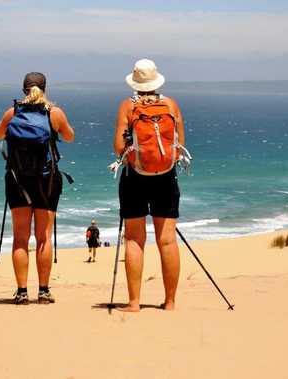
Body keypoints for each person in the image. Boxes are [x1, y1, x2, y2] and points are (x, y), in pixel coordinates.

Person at [0, 72, 75, 305]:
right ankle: (44, 291)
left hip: (18, 180)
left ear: (24, 90)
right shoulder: (54, 113)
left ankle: (21, 292)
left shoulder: (13, 113)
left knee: (20, 238)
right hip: (46, 181)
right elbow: (69, 137)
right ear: (45, 89)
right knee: (43, 238)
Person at [113, 59, 185, 312]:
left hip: (135, 177)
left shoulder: (128, 106)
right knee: (167, 241)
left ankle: (134, 303)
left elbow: (119, 147)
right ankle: (170, 302)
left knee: (134, 239)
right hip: (166, 176)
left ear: (135, 83)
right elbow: (179, 148)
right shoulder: (171, 105)